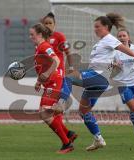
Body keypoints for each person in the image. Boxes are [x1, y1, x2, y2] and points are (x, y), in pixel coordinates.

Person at [55, 13, 134, 151]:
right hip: (98, 80)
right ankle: (98, 139)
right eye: (94, 27)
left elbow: (121, 47)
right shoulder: (101, 43)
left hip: (97, 77)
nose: (95, 29)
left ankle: (60, 103)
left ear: (106, 27)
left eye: (98, 27)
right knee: (84, 111)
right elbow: (109, 60)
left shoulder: (109, 39)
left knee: (68, 77)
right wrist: (111, 67)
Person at [29, 23, 74, 154]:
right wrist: (39, 81)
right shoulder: (39, 47)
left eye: (32, 34)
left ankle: (67, 143)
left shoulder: (45, 46)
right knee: (52, 114)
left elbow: (56, 60)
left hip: (54, 82)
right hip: (49, 83)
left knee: (44, 113)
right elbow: (43, 67)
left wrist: (47, 74)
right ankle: (68, 135)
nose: (30, 36)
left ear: (39, 34)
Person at [41, 12, 78, 142]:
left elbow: (68, 53)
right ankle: (69, 134)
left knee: (48, 110)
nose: (47, 25)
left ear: (55, 25)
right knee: (52, 110)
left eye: (50, 23)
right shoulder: (41, 39)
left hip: (58, 76)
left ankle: (67, 140)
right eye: (45, 23)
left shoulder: (59, 37)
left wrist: (71, 68)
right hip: (48, 78)